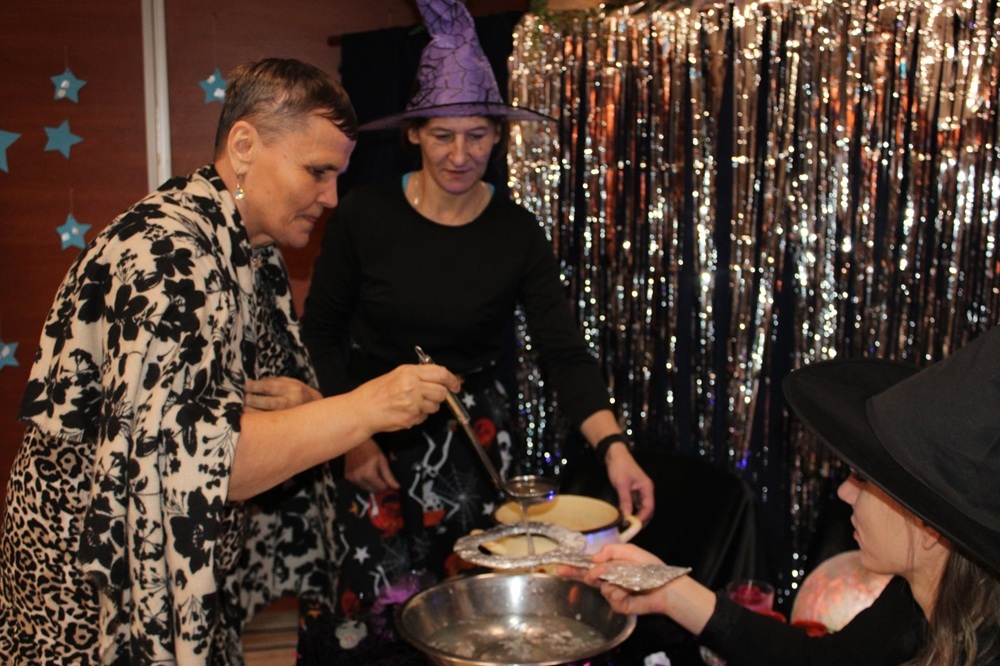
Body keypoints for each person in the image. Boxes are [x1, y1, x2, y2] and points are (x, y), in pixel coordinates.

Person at [0, 58, 462, 664]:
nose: (331, 197)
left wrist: (311, 406)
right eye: (317, 172)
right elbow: (204, 466)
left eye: (337, 176)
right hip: (95, 586)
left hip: (182, 569)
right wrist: (366, 408)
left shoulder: (246, 245)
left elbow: (222, 408)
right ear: (244, 146)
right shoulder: (168, 257)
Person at [299, 0, 655, 658]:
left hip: (476, 443)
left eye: (477, 136)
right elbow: (318, 334)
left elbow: (563, 353)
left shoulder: (516, 231)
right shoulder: (364, 215)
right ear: (414, 133)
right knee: (369, 618)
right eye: (442, 135)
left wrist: (615, 448)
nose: (460, 155)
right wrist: (350, 436)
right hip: (369, 433)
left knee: (475, 624)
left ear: (497, 136)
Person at [562, 326, 1000, 665]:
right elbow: (821, 662)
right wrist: (668, 591)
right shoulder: (916, 605)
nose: (845, 492)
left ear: (927, 526)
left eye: (863, 480)